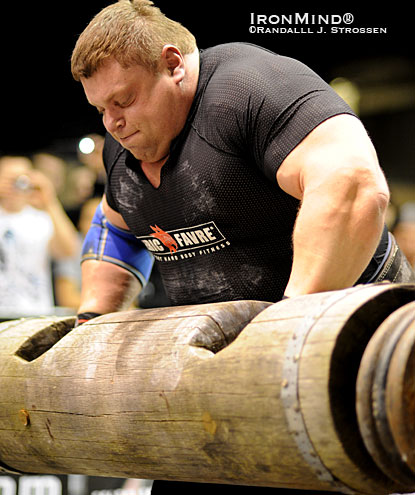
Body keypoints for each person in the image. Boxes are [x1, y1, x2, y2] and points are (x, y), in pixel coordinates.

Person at [70, 0, 415, 492]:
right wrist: (92, 322)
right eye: (100, 109)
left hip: (356, 375)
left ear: (173, 64)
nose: (112, 122)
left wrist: (285, 332)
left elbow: (353, 183)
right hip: (221, 394)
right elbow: (115, 227)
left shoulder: (252, 87)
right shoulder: (123, 151)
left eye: (123, 99)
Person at [0, 155, 78, 316]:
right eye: (8, 178)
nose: (14, 185)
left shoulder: (41, 218)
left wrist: (49, 201)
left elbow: (68, 252)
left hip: (35, 311)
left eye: (20, 179)